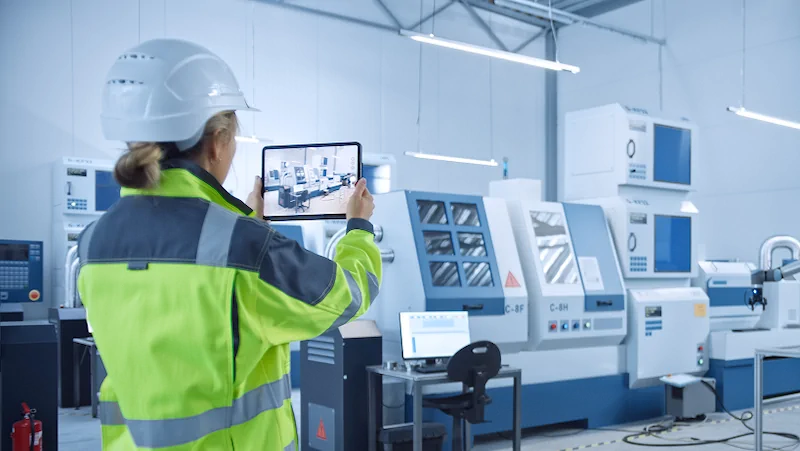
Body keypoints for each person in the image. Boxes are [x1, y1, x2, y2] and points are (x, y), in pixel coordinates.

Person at [78, 38, 381, 451]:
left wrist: (246, 226)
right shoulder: (243, 248)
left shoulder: (94, 242)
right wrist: (359, 227)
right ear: (218, 141)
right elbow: (349, 293)